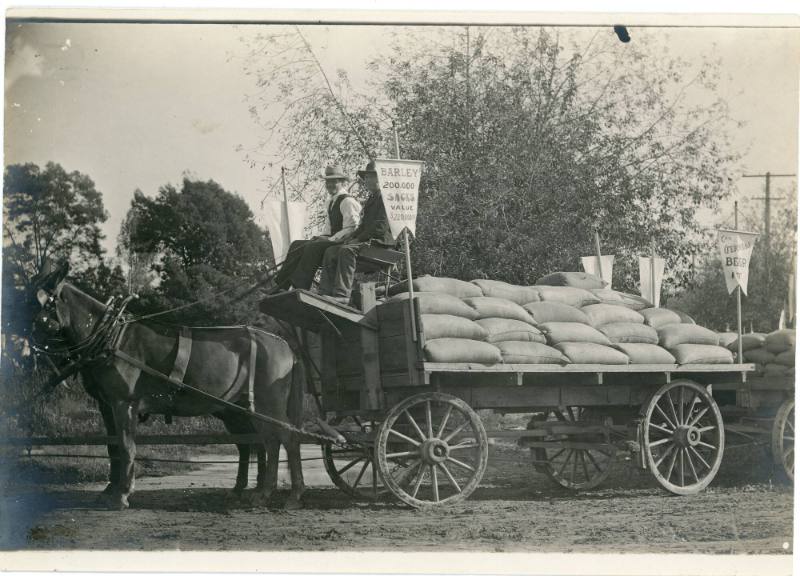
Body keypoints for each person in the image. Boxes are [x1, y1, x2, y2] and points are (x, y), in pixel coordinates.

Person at [271, 165, 360, 292]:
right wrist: (321, 237)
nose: (330, 185)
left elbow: (351, 228)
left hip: (345, 241)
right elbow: (328, 229)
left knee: (312, 248)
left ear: (342, 182)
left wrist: (330, 240)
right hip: (332, 239)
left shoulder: (347, 201)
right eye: (328, 182)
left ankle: (300, 286)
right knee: (297, 245)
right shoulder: (331, 202)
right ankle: (281, 285)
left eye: (334, 181)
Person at [318, 160, 395, 304]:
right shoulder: (372, 199)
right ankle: (324, 291)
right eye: (366, 178)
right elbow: (362, 226)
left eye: (371, 177)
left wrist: (358, 239)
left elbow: (379, 228)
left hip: (383, 245)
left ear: (380, 179)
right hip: (370, 242)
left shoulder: (386, 198)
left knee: (347, 251)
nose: (367, 181)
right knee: (331, 251)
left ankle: (342, 295)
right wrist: (351, 237)